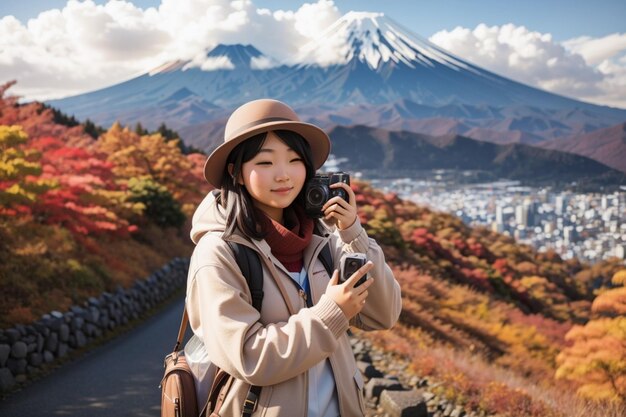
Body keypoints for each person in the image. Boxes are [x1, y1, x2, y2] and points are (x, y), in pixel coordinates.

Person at [186, 99, 402, 417]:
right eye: (265, 163)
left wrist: (352, 232)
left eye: (294, 159)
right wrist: (332, 313)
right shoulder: (219, 252)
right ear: (237, 172)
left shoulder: (323, 240)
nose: (284, 175)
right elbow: (248, 356)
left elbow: (383, 315)